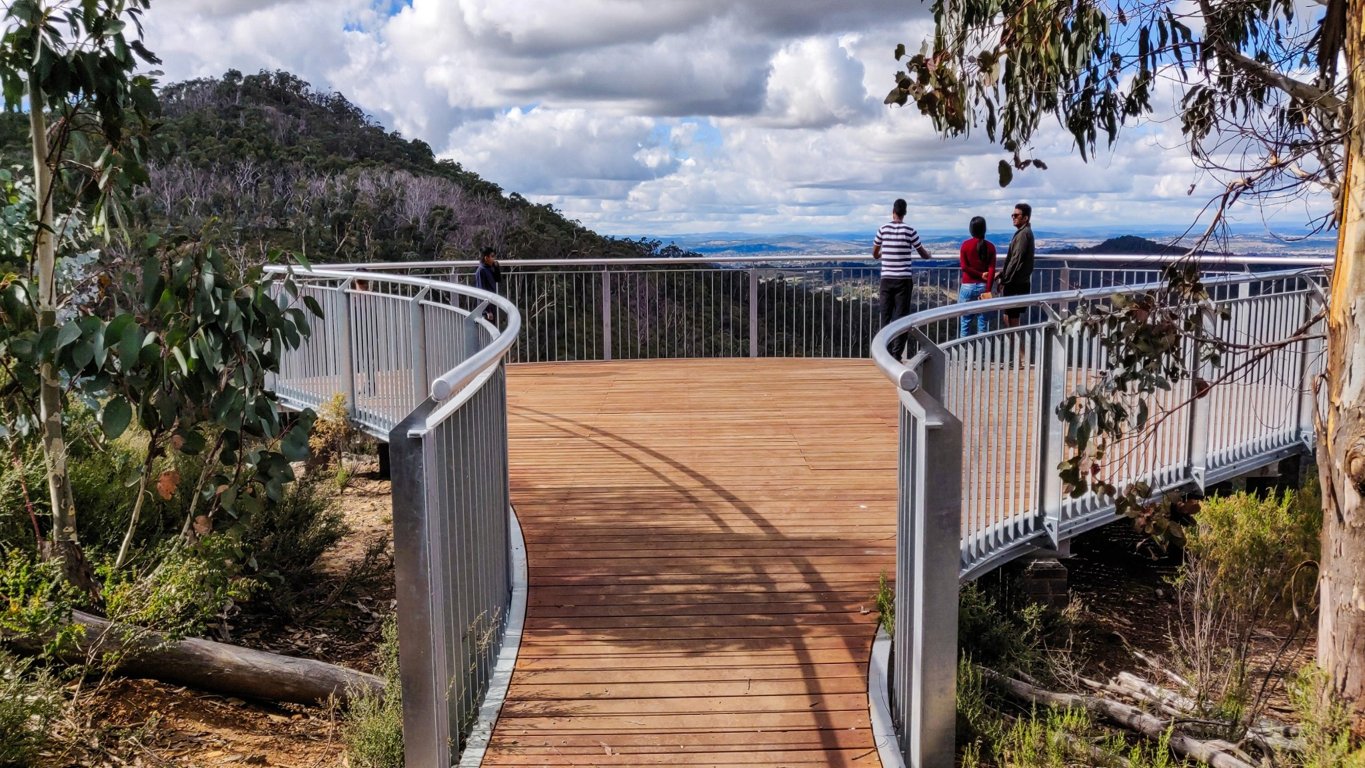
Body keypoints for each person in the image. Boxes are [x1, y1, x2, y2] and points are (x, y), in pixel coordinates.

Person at [873, 198, 932, 359]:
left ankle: (883, 353)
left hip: (886, 279)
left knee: (885, 316)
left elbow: (875, 253)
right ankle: (896, 354)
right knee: (901, 317)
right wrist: (929, 255)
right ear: (905, 213)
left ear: (893, 211)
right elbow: (922, 253)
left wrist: (881, 254)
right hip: (903, 280)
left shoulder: (883, 229)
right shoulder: (910, 231)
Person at [996, 202, 1035, 328]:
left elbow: (1016, 260)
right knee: (1010, 316)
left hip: (1016, 283)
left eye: (1016, 215)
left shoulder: (1023, 234)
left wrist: (1005, 279)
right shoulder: (1024, 232)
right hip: (1018, 282)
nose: (1013, 217)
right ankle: (1016, 346)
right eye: (1012, 215)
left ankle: (1018, 347)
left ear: (1025, 218)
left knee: (1012, 320)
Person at [958, 216, 996, 338]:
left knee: (965, 324)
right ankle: (981, 356)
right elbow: (991, 269)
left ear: (971, 229)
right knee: (982, 325)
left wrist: (978, 274)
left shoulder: (965, 245)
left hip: (967, 287)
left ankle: (962, 356)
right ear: (984, 229)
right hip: (983, 288)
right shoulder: (991, 247)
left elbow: (964, 267)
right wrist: (988, 290)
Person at [474, 246, 502, 321]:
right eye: (492, 256)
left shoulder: (489, 268)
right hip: (485, 309)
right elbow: (481, 291)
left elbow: (498, 279)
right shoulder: (481, 271)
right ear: (486, 258)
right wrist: (487, 311)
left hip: (491, 304)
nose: (494, 259)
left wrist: (496, 268)